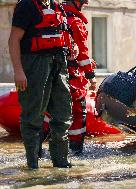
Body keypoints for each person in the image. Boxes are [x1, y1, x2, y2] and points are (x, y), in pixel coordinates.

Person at [8, 0, 72, 169]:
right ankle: (33, 166)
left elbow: (62, 34)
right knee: (32, 116)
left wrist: (71, 48)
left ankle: (61, 163)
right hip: (34, 65)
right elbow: (13, 40)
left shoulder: (57, 6)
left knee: (63, 114)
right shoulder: (27, 5)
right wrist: (18, 71)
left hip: (59, 64)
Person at [43, 0, 96, 155]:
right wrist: (91, 76)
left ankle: (36, 151)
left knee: (50, 110)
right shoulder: (75, 22)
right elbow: (83, 56)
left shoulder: (55, 16)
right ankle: (76, 151)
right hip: (71, 76)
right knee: (79, 110)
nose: (86, 2)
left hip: (51, 72)